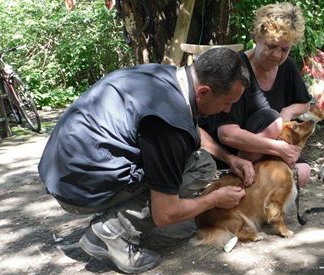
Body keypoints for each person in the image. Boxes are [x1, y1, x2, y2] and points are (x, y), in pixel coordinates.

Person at [38, 48, 255, 273]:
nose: (227, 110)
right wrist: (214, 199)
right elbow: (166, 214)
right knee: (200, 168)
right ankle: (112, 232)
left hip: (62, 170)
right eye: (227, 103)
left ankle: (115, 217)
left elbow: (190, 127)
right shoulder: (169, 124)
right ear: (203, 92)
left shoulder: (164, 77)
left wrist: (229, 158)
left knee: (195, 160)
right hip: (78, 190)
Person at [202, 2, 312, 187]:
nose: (277, 55)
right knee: (271, 118)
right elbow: (226, 134)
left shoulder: (287, 67)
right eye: (271, 46)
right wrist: (278, 147)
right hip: (233, 152)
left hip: (268, 147)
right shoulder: (235, 69)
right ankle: (240, 180)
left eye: (284, 49)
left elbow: (304, 103)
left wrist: (288, 111)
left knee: (302, 173)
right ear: (257, 37)